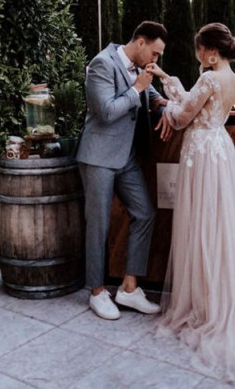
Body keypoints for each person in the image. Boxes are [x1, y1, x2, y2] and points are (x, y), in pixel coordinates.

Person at [147, 23, 235, 381]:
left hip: (201, 156)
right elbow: (196, 104)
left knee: (201, 226)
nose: (198, 55)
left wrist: (165, 107)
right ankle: (220, 299)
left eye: (199, 50)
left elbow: (182, 117)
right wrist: (167, 78)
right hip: (220, 152)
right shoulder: (232, 79)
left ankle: (207, 305)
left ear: (211, 51)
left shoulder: (209, 79)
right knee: (220, 226)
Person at [76, 21, 173, 320]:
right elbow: (105, 112)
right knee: (99, 224)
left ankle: (129, 289)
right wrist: (137, 89)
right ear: (140, 42)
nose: (156, 60)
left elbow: (149, 92)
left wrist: (161, 104)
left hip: (127, 157)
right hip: (98, 157)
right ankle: (97, 292)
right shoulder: (101, 64)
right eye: (155, 53)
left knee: (144, 212)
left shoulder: (137, 66)